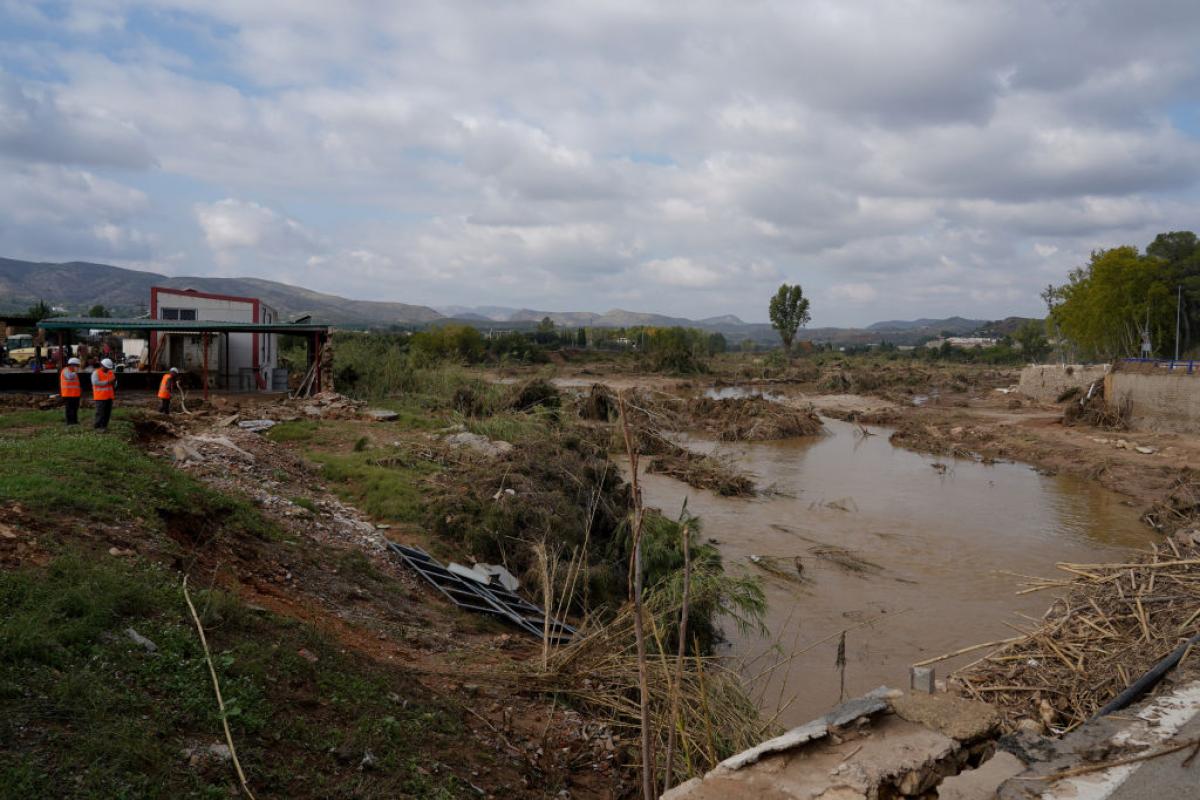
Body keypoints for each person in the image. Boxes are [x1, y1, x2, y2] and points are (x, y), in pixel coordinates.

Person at [92, 357, 116, 432]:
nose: (107, 369)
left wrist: (114, 384)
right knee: (100, 412)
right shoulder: (96, 373)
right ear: (102, 365)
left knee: (107, 412)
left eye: (108, 368)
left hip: (109, 396)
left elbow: (114, 382)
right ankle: (98, 426)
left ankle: (104, 426)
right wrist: (108, 382)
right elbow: (95, 382)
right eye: (106, 367)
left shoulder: (110, 372)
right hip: (100, 397)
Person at [60, 357, 82, 425]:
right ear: (72, 364)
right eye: (77, 365)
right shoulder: (65, 370)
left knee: (75, 409)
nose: (78, 367)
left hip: (75, 394)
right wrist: (75, 372)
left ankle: (74, 421)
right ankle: (69, 422)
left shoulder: (73, 372)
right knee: (69, 409)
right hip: (68, 394)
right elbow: (69, 377)